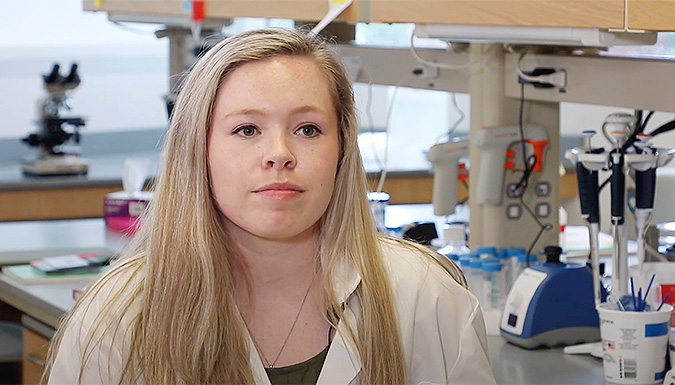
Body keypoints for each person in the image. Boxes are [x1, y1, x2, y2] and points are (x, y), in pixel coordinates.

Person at [46, 28, 496, 385]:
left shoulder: (424, 294)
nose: (279, 154)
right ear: (198, 150)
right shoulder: (117, 315)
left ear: (341, 149)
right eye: (246, 130)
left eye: (307, 129)